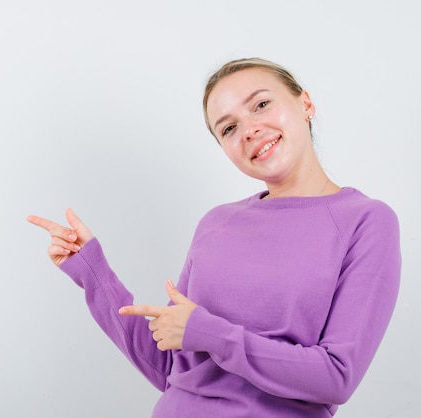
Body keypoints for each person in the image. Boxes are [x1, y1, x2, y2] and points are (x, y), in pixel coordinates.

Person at [27, 57, 401, 417]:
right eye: (228, 128)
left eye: (261, 104)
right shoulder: (217, 223)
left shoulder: (366, 221)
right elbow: (169, 368)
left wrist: (210, 334)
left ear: (305, 102)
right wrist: (92, 271)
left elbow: (336, 377)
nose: (250, 130)